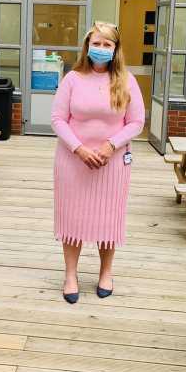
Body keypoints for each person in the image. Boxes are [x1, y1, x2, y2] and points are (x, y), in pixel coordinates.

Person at [50, 22, 145, 304]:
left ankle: (106, 272)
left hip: (112, 163)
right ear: (87, 46)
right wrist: (79, 149)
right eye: (96, 43)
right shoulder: (72, 79)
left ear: (115, 49)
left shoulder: (126, 80)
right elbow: (58, 119)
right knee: (72, 215)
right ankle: (70, 275)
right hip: (73, 161)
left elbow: (137, 122)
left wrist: (110, 145)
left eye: (107, 44)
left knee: (108, 216)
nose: (101, 49)